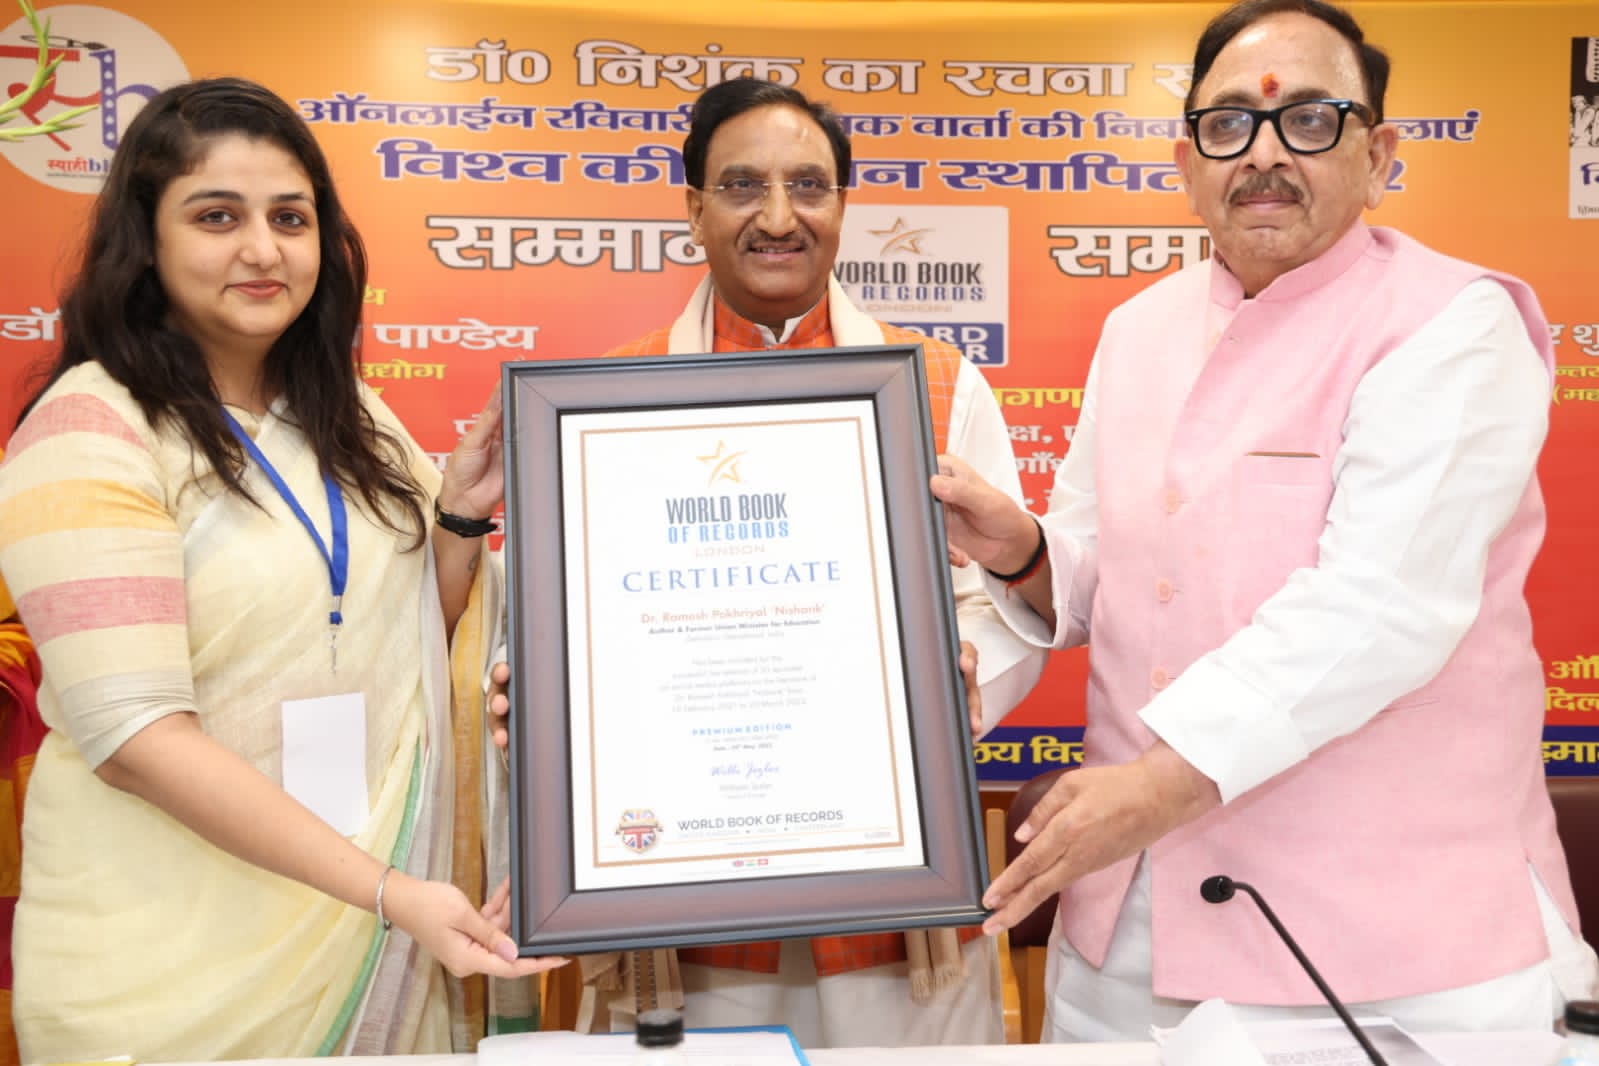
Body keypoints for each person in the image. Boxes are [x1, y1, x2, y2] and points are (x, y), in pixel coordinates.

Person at [930, 0, 1599, 1042]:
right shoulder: (1140, 327)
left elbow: (1379, 607)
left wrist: (1156, 785)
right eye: (1229, 123)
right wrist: (1021, 550)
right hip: (1131, 923)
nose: (1266, 153)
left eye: (1311, 121)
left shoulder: (1453, 325)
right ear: (1187, 159)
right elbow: (1116, 573)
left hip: (1389, 950)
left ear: (1378, 154)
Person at [0, 78, 563, 1062]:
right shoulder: (90, 429)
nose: (263, 249)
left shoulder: (352, 417)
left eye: (290, 218)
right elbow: (134, 736)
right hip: (173, 972)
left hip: (371, 920)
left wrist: (460, 516)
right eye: (217, 216)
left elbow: (409, 636)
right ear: (147, 241)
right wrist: (387, 891)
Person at [557, 76, 1045, 1048]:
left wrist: (944, 692)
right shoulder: (606, 401)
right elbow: (576, 629)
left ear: (843, 205)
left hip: (896, 901)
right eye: (742, 186)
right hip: (684, 905)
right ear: (692, 207)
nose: (779, 218)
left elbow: (1001, 605)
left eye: (808, 187)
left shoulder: (937, 384)